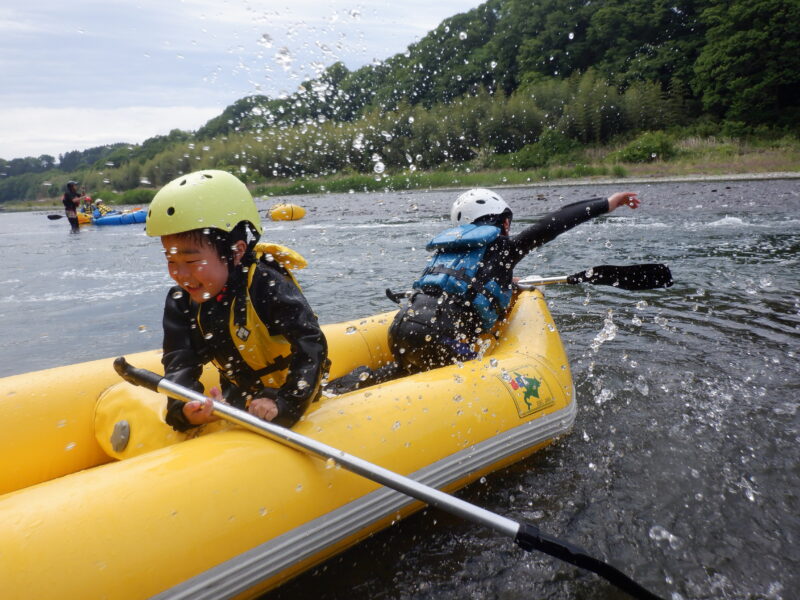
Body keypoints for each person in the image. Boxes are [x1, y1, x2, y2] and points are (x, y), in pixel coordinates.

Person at [326, 188, 640, 393]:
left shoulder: (448, 253)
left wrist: (506, 284)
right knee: (443, 375)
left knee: (406, 369)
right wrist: (607, 203)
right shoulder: (505, 247)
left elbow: (464, 288)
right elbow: (551, 224)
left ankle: (341, 387)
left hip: (401, 330)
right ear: (502, 222)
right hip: (443, 338)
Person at [145, 169, 328, 432]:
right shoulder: (181, 301)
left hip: (295, 392)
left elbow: (311, 345)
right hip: (239, 395)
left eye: (191, 261)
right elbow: (180, 361)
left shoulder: (267, 285)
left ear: (237, 250)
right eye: (171, 260)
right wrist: (184, 409)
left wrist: (285, 404)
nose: (180, 275)